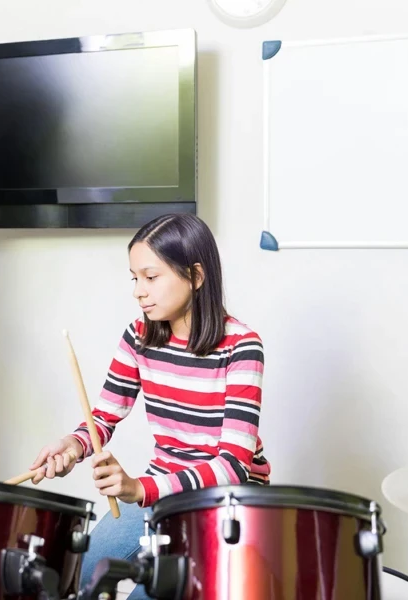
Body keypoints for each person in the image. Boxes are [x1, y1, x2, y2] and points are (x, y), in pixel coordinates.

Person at [29, 213, 271, 599]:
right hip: (163, 490)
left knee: (151, 592)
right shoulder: (139, 335)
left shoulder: (242, 346)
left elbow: (232, 466)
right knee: (83, 573)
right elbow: (104, 417)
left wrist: (140, 489)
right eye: (134, 277)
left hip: (224, 503)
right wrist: (73, 446)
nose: (138, 291)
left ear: (195, 276)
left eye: (151, 277)